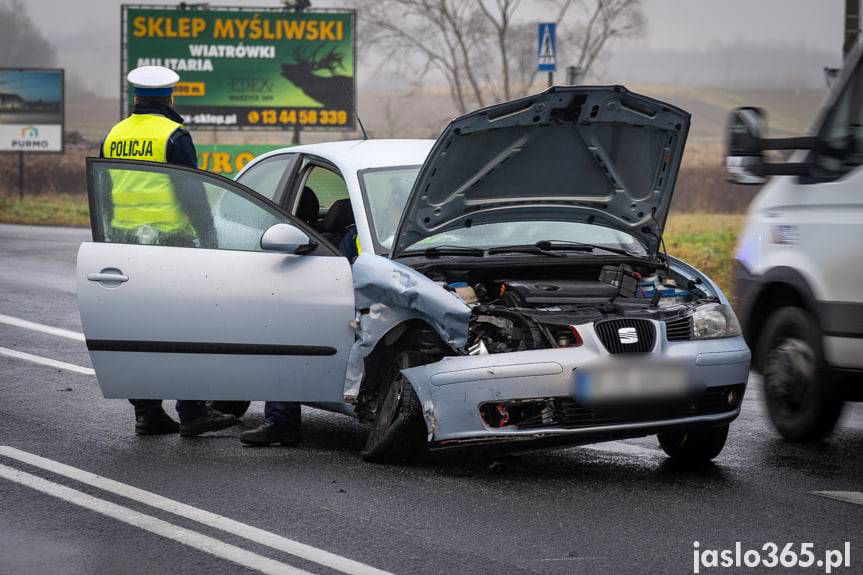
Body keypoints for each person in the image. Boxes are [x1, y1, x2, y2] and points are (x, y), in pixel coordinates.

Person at [101, 65, 237, 437]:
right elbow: (191, 192)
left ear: (136, 97)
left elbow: (105, 192)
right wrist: (209, 237)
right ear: (170, 97)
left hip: (126, 245)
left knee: (138, 331)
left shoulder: (114, 134)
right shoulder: (173, 135)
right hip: (171, 246)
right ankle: (192, 412)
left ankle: (147, 413)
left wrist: (109, 237)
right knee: (185, 330)